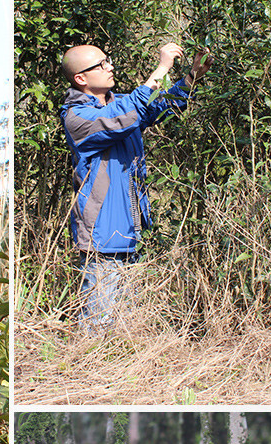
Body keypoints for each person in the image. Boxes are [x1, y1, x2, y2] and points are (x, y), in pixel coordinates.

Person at [60, 41, 212, 329]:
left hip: (131, 230)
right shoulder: (78, 118)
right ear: (81, 78)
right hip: (103, 237)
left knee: (124, 327)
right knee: (98, 326)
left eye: (108, 61)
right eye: (101, 64)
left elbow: (160, 105)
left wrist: (192, 77)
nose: (110, 67)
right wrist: (163, 66)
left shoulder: (118, 105)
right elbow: (134, 108)